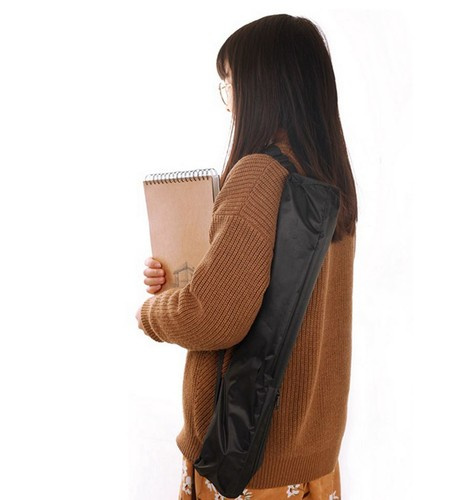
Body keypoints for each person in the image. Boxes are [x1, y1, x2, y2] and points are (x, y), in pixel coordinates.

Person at [136, 13, 357, 499]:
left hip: (247, 468)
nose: (230, 100)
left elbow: (212, 317)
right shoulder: (328, 178)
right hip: (314, 461)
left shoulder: (258, 176)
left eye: (231, 83)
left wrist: (152, 312)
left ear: (264, 86)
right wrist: (185, 282)